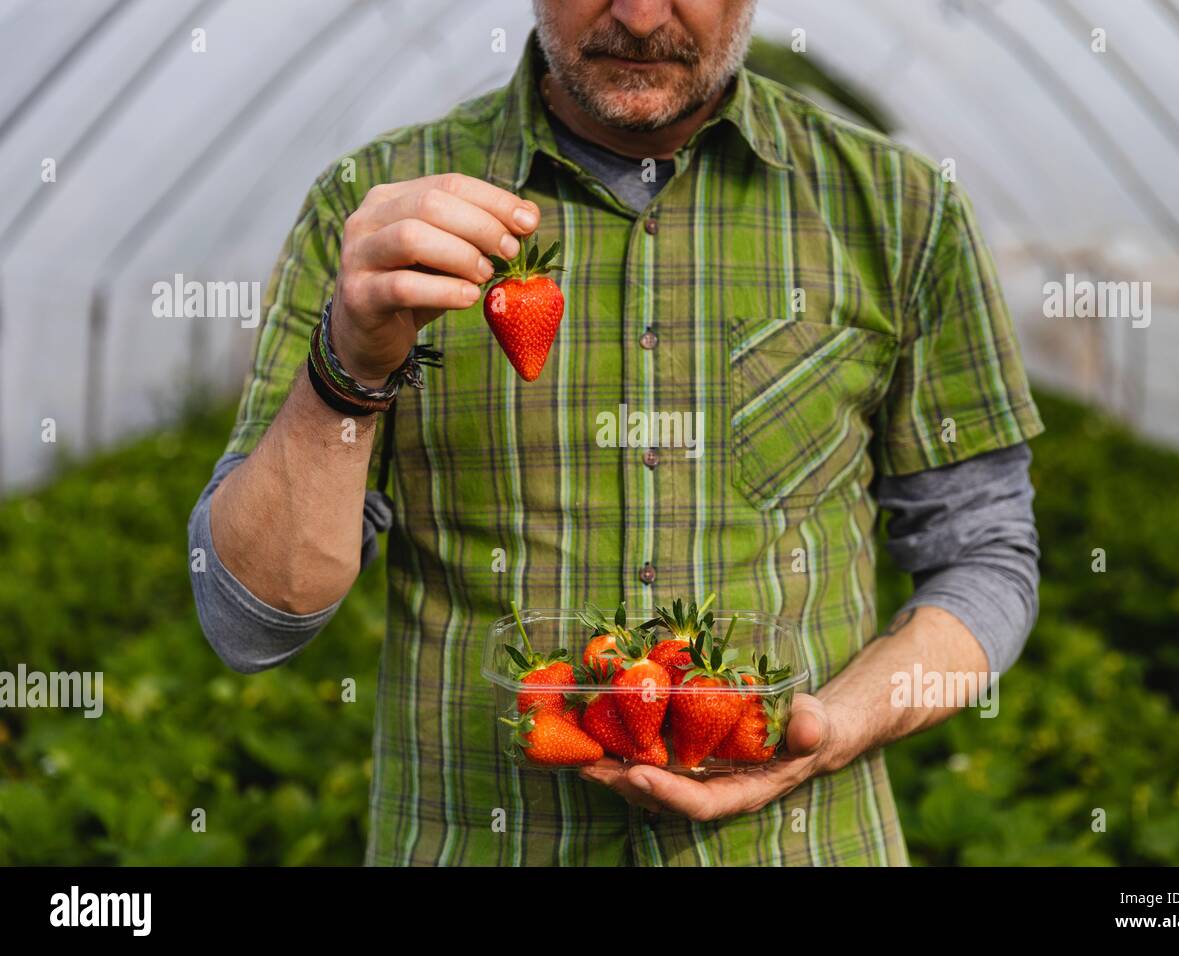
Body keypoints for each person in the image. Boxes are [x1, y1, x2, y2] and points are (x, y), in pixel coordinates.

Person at [189, 0, 1043, 866]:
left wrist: (838, 725)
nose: (638, 17)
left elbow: (985, 553)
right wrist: (349, 369)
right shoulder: (381, 215)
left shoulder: (898, 209)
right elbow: (253, 623)